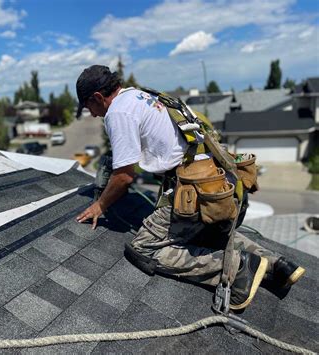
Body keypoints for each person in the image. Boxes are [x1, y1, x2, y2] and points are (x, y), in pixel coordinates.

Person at [74, 64, 305, 310]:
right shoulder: (145, 96)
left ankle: (237, 269)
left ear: (98, 97)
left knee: (143, 249)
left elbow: (124, 177)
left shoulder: (119, 112)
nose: (94, 114)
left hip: (192, 189)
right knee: (209, 234)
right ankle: (278, 266)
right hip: (217, 184)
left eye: (89, 107)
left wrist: (100, 205)